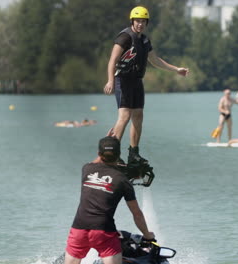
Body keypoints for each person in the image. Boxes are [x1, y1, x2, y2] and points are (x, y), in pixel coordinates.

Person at [103, 6, 189, 166]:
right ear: (132, 21)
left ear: (146, 23)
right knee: (124, 116)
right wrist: (110, 81)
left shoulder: (144, 40)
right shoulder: (125, 37)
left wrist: (176, 69)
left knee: (138, 115)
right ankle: (113, 154)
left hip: (137, 82)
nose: (140, 24)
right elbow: (112, 60)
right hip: (123, 80)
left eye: (143, 21)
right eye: (138, 21)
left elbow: (155, 60)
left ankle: (133, 154)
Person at [64, 135, 155, 264]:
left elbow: (97, 160)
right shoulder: (122, 180)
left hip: (79, 229)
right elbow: (137, 214)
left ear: (99, 153)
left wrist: (109, 139)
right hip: (103, 231)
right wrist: (147, 234)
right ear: (118, 155)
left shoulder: (87, 169)